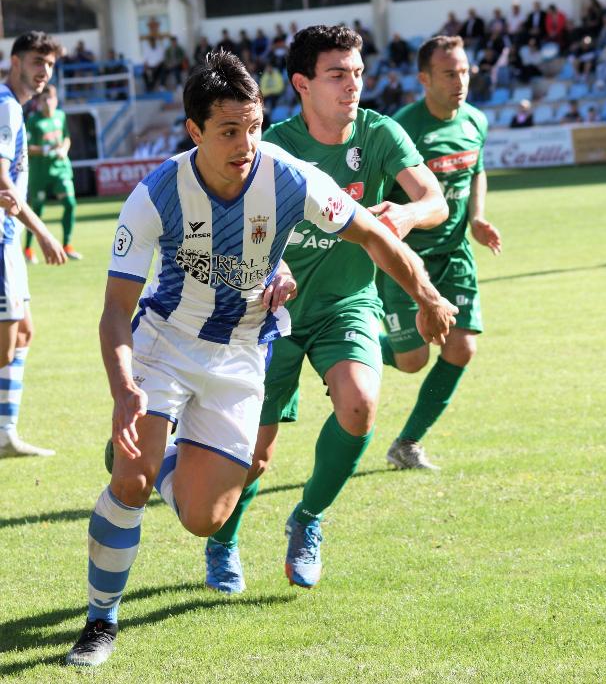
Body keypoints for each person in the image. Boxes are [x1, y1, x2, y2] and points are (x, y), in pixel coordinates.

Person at [66, 48, 456, 667]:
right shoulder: (156, 194)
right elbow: (116, 308)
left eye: (252, 126)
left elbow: (374, 234)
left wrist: (427, 295)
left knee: (204, 517)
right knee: (131, 482)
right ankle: (99, 623)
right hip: (164, 345)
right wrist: (123, 390)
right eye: (228, 131)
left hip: (243, 352)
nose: (245, 142)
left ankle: (158, 455)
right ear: (195, 131)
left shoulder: (290, 177)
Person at [202, 24, 453, 596]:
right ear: (302, 84)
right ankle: (222, 542)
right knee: (254, 456)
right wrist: (270, 266)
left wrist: (407, 217)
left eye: (358, 73)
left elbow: (433, 199)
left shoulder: (379, 134)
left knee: (360, 405)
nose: (352, 86)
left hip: (347, 303)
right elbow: (231, 225)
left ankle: (308, 518)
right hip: (271, 317)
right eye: (337, 75)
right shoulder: (274, 147)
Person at [377, 35, 502, 471]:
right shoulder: (401, 129)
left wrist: (477, 218)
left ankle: (407, 443)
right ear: (424, 79)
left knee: (461, 348)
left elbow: (478, 170)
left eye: (465, 71)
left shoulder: (475, 121)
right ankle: (350, 350)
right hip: (403, 259)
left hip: (454, 255)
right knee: (412, 360)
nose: (460, 80)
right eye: (449, 73)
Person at [0, 32, 67, 459]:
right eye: (37, 62)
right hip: (3, 237)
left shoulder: (14, 108)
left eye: (50, 65)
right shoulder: (6, 106)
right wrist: (43, 232)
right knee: (4, 344)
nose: (44, 72)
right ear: (16, 61)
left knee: (23, 331)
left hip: (9, 240)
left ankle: (5, 433)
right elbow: (2, 183)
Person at [24, 84, 82, 262]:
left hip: (60, 169)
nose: (48, 102)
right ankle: (27, 249)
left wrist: (64, 149)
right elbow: (28, 148)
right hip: (40, 172)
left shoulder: (61, 116)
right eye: (44, 99)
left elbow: (66, 138)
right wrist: (49, 149)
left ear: (56, 100)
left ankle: (67, 245)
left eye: (51, 98)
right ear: (39, 102)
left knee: (70, 203)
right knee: (36, 212)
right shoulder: (34, 121)